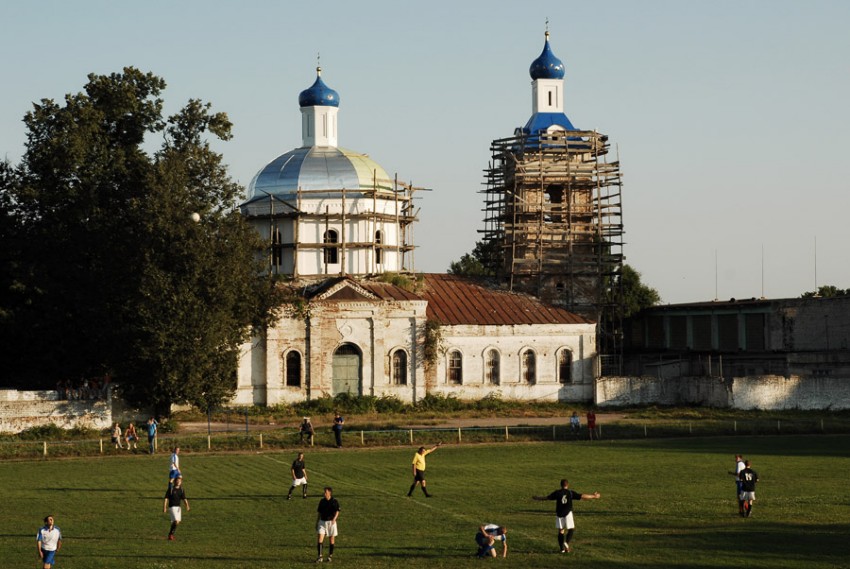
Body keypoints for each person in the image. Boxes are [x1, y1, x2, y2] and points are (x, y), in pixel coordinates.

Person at [532, 479, 601, 553]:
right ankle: (567, 543)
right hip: (568, 513)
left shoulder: (557, 492)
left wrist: (537, 498)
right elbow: (583, 496)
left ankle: (562, 549)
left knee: (561, 531)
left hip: (559, 514)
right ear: (567, 485)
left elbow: (547, 498)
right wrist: (594, 496)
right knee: (571, 529)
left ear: (561, 485)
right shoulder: (570, 493)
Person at [316, 486, 340, 563]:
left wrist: (334, 519)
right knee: (320, 539)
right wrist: (317, 521)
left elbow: (337, 511)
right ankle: (320, 557)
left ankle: (330, 556)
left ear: (329, 493)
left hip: (331, 522)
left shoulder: (334, 501)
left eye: (325, 492)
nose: (324, 493)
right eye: (324, 492)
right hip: (322, 522)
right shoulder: (322, 501)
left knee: (331, 539)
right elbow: (319, 512)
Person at [163, 475, 190, 540]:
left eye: (179, 481)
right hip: (172, 507)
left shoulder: (181, 490)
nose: (178, 482)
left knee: (177, 522)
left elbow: (184, 498)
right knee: (176, 521)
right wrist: (164, 507)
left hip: (178, 508)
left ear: (181, 482)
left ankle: (170, 534)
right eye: (177, 481)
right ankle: (171, 535)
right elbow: (166, 498)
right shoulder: (171, 489)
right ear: (175, 482)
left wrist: (187, 505)